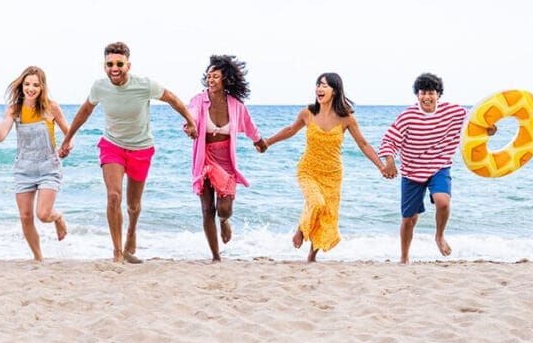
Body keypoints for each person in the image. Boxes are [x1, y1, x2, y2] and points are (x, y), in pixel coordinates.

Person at [58, 41, 198, 264]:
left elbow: (171, 98)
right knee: (114, 196)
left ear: (128, 65)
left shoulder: (144, 85)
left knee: (133, 205)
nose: (114, 68)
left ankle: (131, 232)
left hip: (141, 148)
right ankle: (117, 253)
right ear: (104, 66)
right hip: (112, 145)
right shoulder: (99, 87)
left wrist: (190, 121)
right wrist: (67, 139)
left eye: (119, 64)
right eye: (109, 64)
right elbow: (85, 111)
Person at [263, 72, 387, 262]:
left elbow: (363, 144)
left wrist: (381, 166)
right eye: (318, 85)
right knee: (316, 202)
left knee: (326, 214)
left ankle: (312, 255)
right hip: (308, 169)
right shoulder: (308, 113)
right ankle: (301, 229)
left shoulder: (347, 118)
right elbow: (290, 130)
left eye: (325, 86)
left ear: (335, 91)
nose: (319, 89)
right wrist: (267, 142)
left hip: (333, 174)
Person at [378, 72, 469, 264]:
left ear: (438, 94)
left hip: (439, 166)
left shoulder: (453, 112)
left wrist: (489, 130)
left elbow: (475, 123)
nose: (426, 96)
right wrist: (390, 162)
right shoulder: (408, 116)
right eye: (422, 92)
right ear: (417, 95)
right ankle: (404, 257)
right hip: (412, 171)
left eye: (431, 92)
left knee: (443, 202)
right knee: (409, 219)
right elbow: (389, 140)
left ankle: (439, 236)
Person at [185, 55, 268, 262]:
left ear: (226, 79)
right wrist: (190, 126)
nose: (210, 80)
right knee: (207, 209)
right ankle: (215, 255)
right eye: (208, 76)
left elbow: (248, 124)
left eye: (215, 76)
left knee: (224, 208)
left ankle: (224, 221)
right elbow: (191, 114)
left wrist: (258, 141)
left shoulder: (235, 105)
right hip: (204, 158)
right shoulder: (199, 100)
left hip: (225, 160)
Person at [0, 66, 70, 262]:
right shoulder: (14, 110)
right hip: (24, 168)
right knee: (25, 216)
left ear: (42, 87)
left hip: (49, 167)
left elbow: (69, 133)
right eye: (27, 84)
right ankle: (38, 258)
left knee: (44, 214)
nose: (31, 88)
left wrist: (67, 146)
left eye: (36, 85)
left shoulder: (51, 107)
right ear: (21, 86)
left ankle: (58, 217)